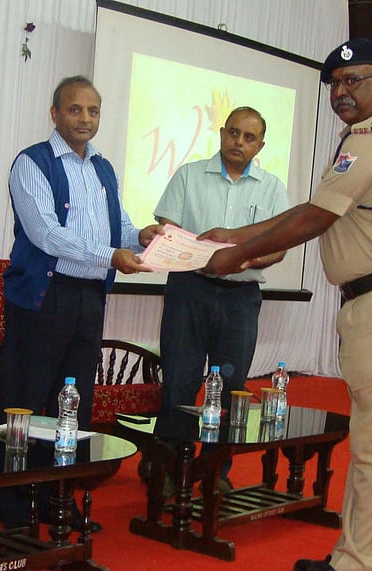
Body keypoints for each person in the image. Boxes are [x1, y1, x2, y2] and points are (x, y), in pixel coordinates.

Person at [201, 39, 372, 571]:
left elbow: (314, 217)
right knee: (370, 437)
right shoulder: (366, 136)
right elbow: (320, 206)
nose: (341, 92)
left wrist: (235, 256)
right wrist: (236, 235)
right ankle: (353, 555)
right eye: (335, 84)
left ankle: (359, 568)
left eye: (354, 80)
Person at [0, 75, 163, 529]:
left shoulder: (103, 168)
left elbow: (118, 227)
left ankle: (58, 500)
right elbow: (46, 234)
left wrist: (140, 237)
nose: (85, 119)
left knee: (73, 403)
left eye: (93, 111)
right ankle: (14, 507)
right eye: (74, 109)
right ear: (55, 114)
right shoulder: (32, 163)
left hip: (89, 298)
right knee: (26, 402)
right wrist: (111, 254)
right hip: (43, 297)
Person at [154, 107, 290, 489]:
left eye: (249, 138)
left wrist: (246, 257)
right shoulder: (189, 175)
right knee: (179, 380)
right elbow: (168, 227)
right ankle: (169, 468)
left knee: (232, 389)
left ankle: (216, 472)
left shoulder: (272, 187)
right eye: (233, 133)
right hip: (189, 291)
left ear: (260, 145)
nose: (239, 143)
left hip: (241, 298)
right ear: (221, 133)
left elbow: (280, 246)